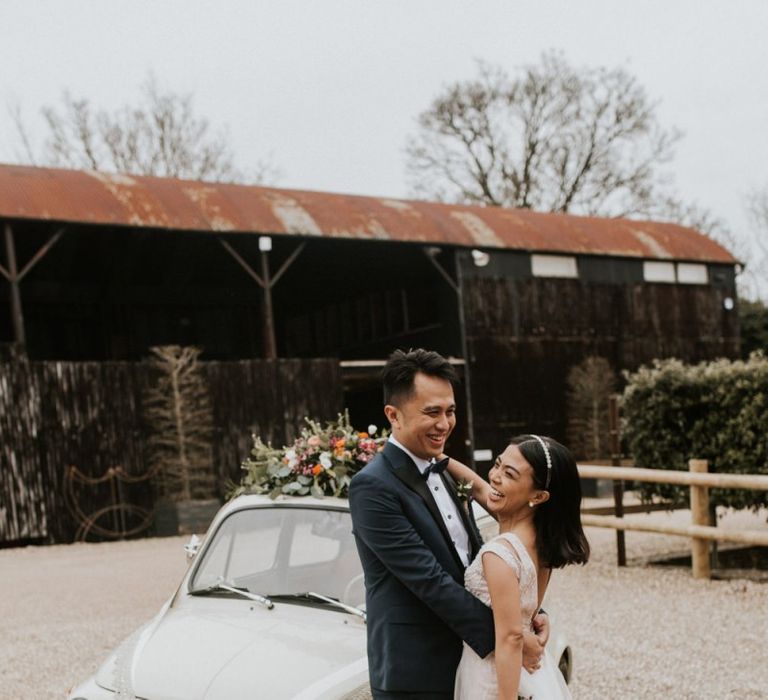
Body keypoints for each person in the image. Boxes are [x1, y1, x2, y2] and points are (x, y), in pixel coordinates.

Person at [349, 348, 548, 699]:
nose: (445, 423)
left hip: (467, 659)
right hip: (417, 670)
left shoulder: (443, 467)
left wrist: (527, 612)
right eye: (432, 412)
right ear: (393, 416)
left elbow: (473, 563)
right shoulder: (373, 487)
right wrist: (511, 634)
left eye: (450, 411)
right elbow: (429, 580)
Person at [447, 435, 590, 699]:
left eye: (509, 474)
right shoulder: (543, 542)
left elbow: (512, 638)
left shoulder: (500, 553)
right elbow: (478, 488)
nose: (494, 476)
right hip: (531, 673)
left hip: (495, 677)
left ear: (539, 495)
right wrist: (437, 458)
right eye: (498, 464)